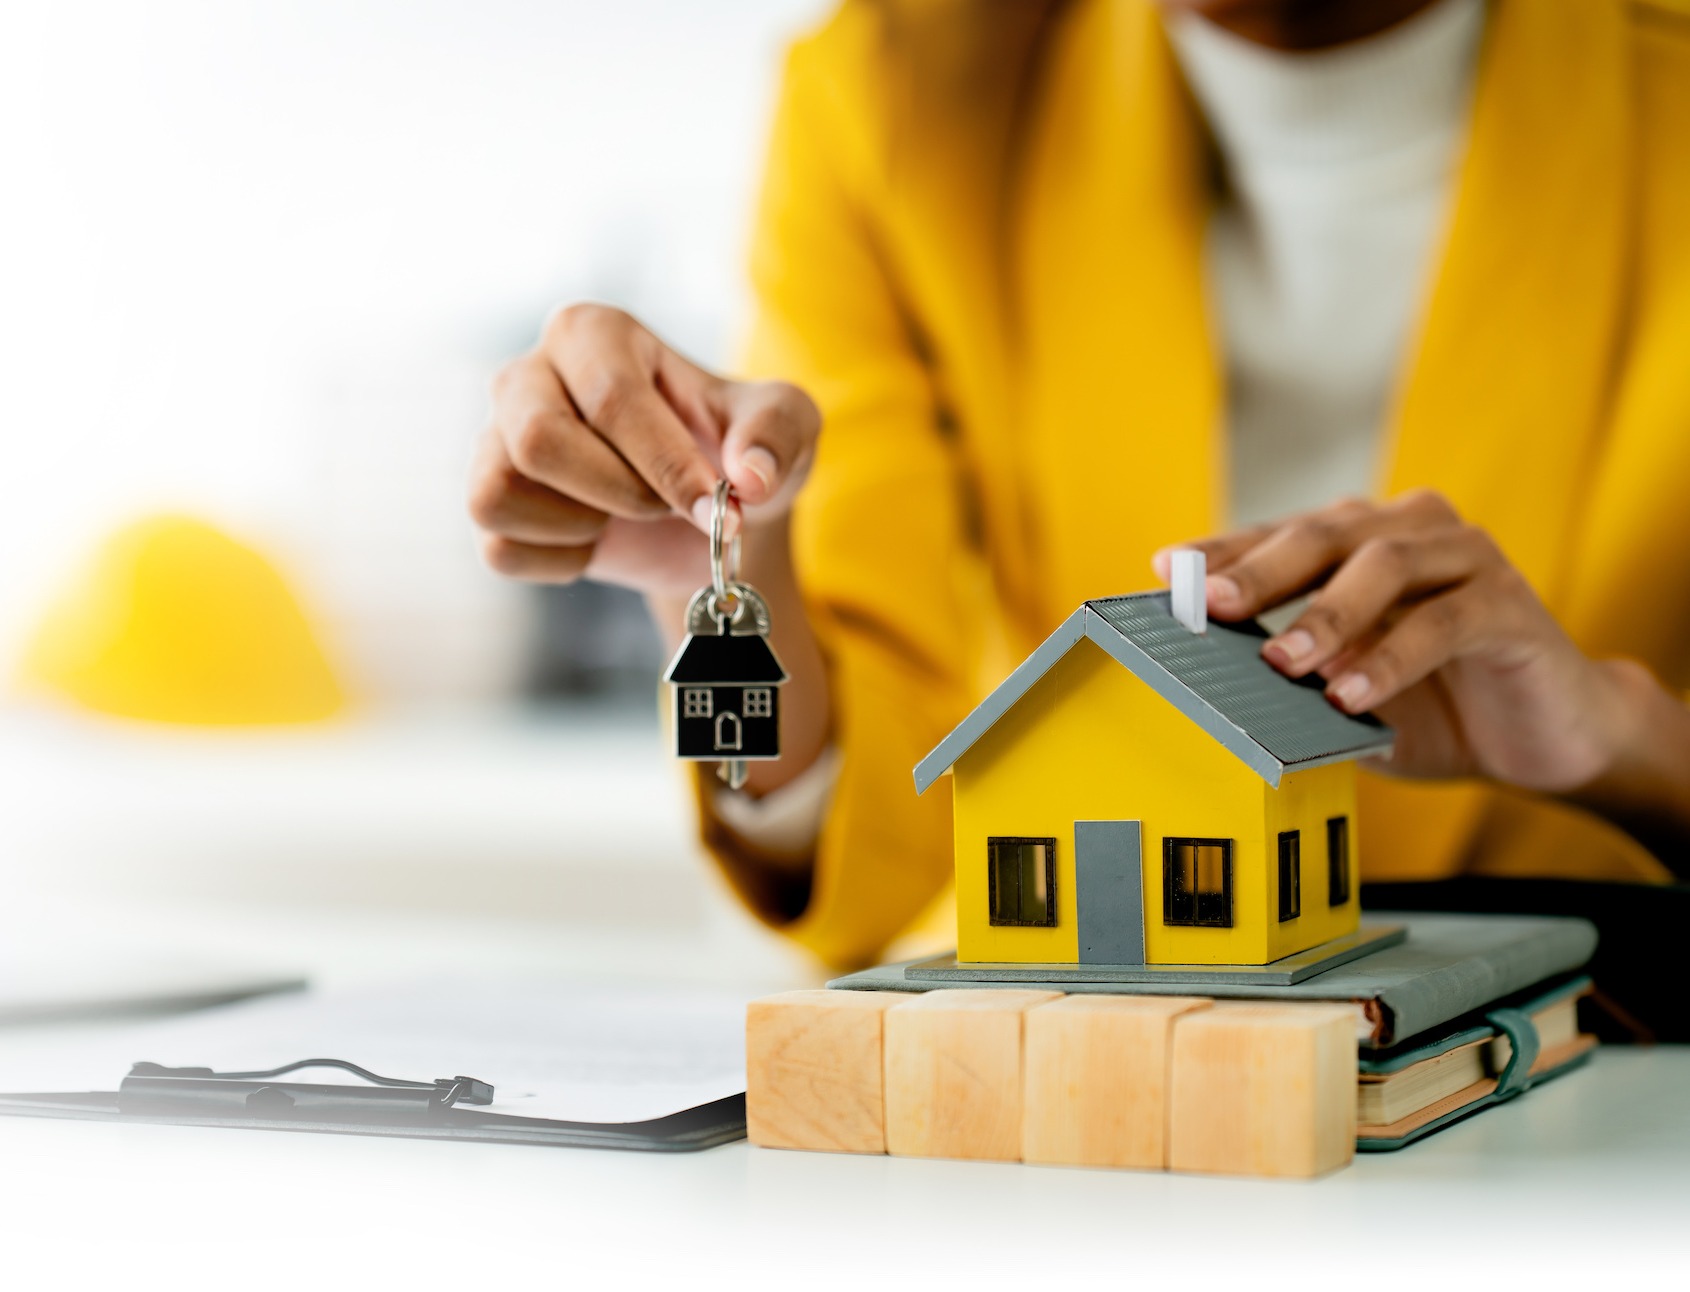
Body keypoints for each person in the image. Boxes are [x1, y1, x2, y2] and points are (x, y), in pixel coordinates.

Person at [469, 0, 1690, 970]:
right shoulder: (888, 90)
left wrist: (1625, 741)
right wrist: (724, 581)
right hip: (1104, 1079)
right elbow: (884, 863)